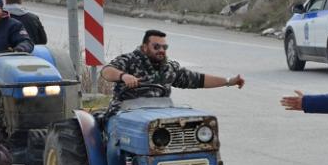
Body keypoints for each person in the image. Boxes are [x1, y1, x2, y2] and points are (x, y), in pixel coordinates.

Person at [100, 29, 245, 117]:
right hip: (125, 114)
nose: (161, 50)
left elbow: (198, 80)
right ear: (145, 47)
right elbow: (106, 71)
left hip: (160, 115)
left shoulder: (169, 68)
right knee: (114, 148)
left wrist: (229, 81)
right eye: (156, 46)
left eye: (164, 47)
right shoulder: (129, 60)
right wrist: (123, 76)